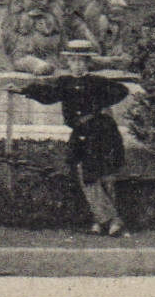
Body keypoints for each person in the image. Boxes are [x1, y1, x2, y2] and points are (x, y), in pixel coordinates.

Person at [10, 39, 131, 236]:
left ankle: (105, 220)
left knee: (103, 175)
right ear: (68, 63)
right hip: (81, 133)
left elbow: (121, 91)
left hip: (102, 132)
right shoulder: (64, 83)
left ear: (88, 64)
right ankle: (108, 219)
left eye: (82, 61)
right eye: (74, 61)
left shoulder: (97, 82)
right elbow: (48, 94)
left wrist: (98, 105)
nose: (78, 65)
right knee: (85, 175)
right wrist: (23, 90)